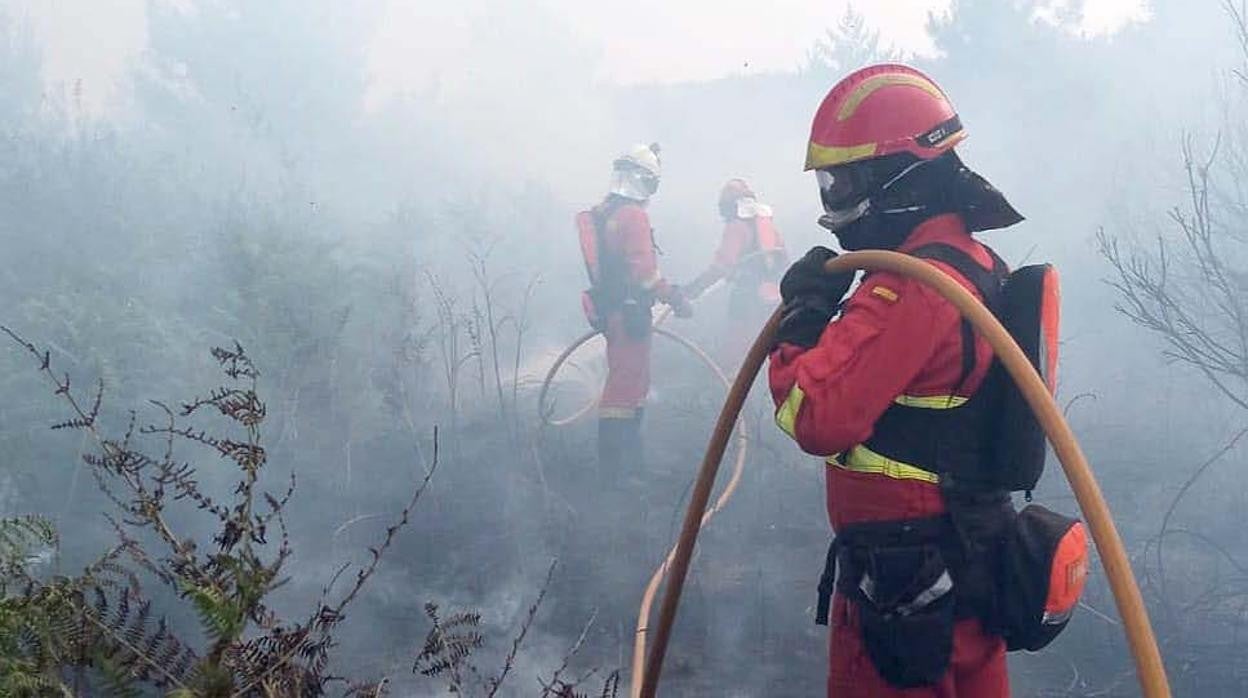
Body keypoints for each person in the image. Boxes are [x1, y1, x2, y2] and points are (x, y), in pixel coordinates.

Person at [768, 64, 1024, 697]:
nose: (836, 203)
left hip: (904, 584)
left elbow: (816, 416)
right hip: (966, 567)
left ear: (895, 179)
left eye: (843, 181)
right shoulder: (978, 266)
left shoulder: (910, 287)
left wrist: (800, 322)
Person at [578, 143, 692, 473]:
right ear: (644, 181)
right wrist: (675, 297)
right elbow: (645, 273)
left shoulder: (607, 211)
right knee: (624, 390)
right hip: (629, 314)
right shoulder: (633, 215)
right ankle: (616, 473)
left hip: (617, 311)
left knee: (633, 386)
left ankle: (632, 464)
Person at [687, 178, 787, 364]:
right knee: (766, 341)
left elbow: (722, 265)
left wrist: (694, 288)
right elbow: (783, 258)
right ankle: (761, 382)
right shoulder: (766, 226)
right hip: (772, 295)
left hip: (746, 296)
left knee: (740, 343)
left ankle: (733, 381)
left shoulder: (737, 227)